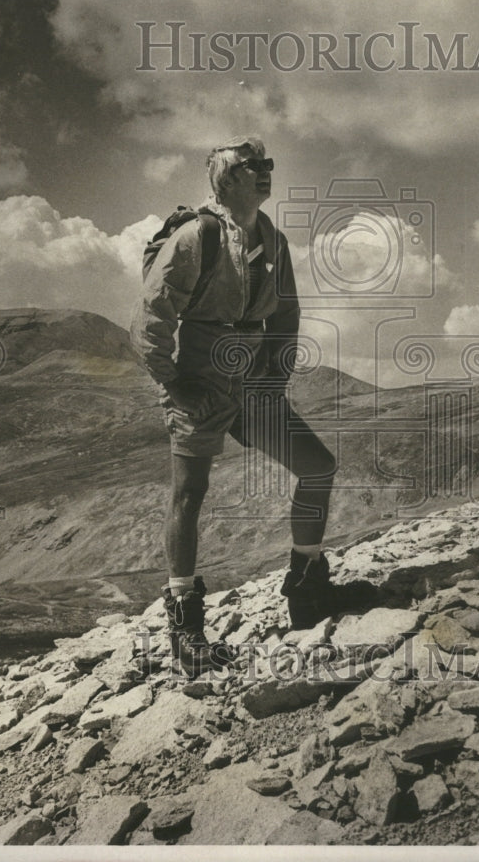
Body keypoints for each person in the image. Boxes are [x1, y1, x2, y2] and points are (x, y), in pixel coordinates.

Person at [130, 136, 342, 677]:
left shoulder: (273, 239)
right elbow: (150, 322)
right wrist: (175, 385)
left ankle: (305, 583)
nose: (266, 172)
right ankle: (185, 626)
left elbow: (287, 311)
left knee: (317, 466)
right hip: (201, 378)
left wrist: (277, 368)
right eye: (253, 167)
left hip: (253, 381)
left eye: (269, 164)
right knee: (189, 493)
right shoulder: (195, 236)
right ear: (225, 180)